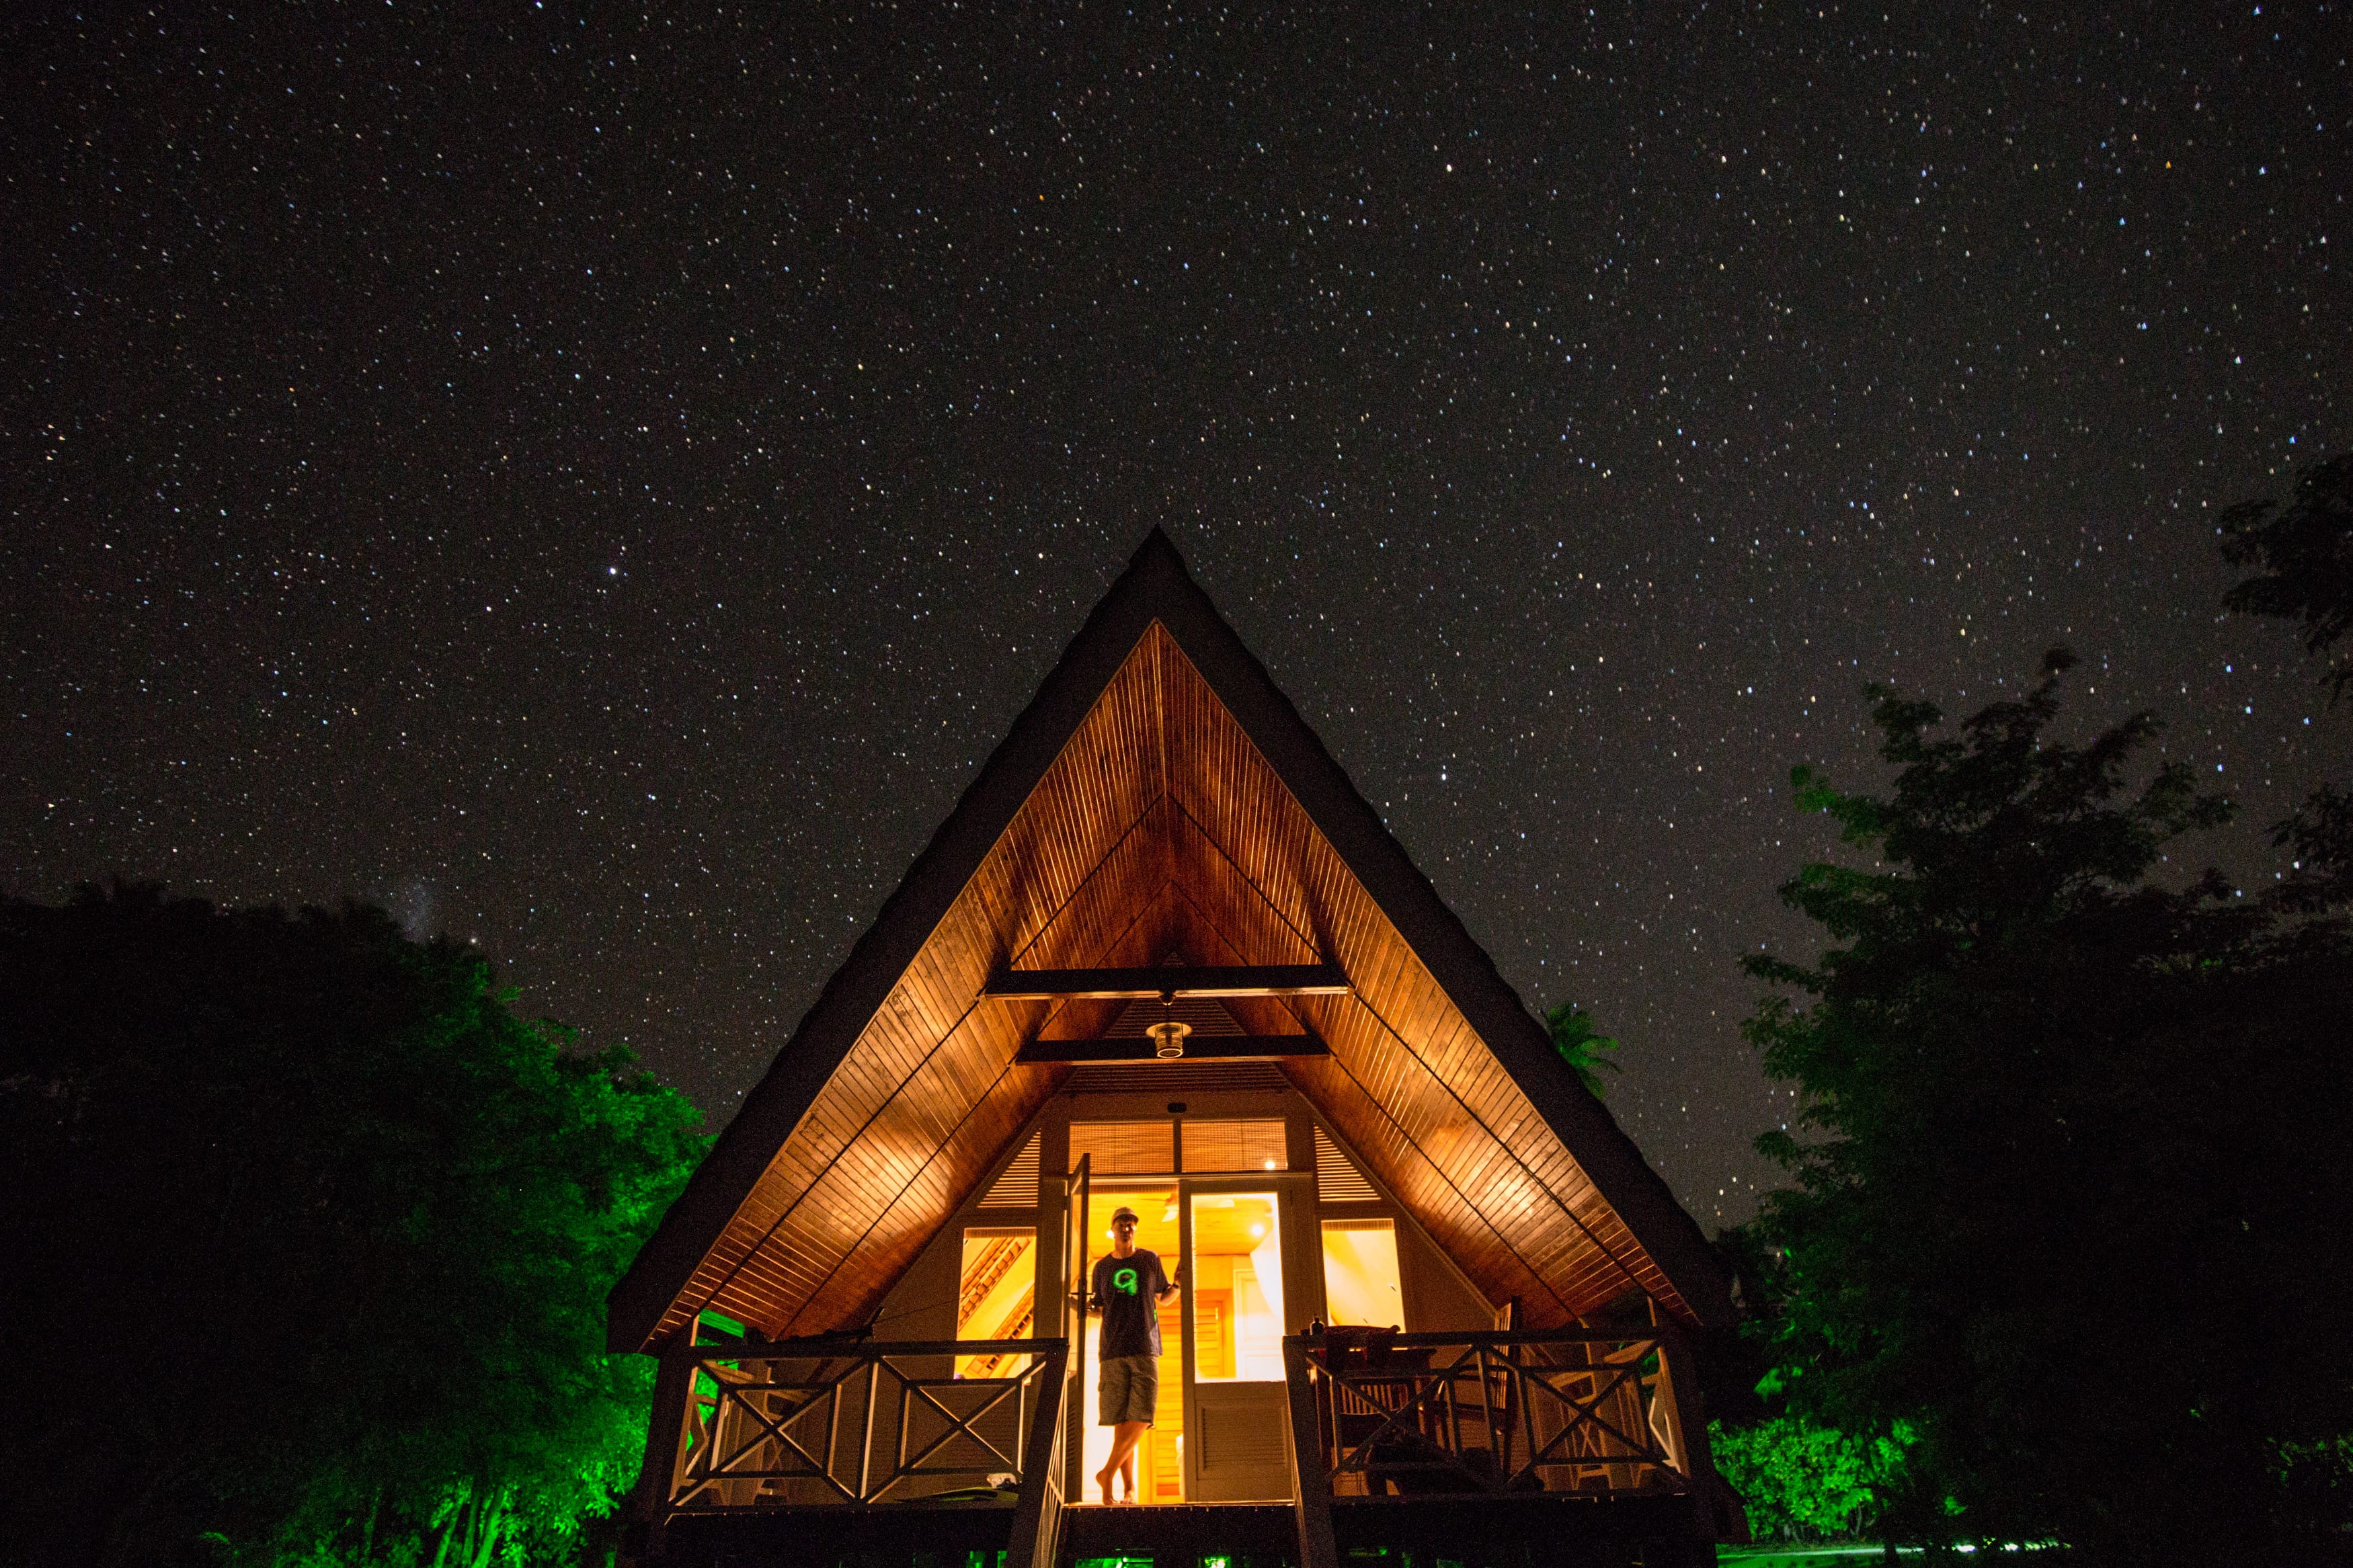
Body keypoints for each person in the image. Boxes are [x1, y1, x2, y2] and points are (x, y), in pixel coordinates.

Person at [1088, 1204, 1179, 1504]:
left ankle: (1107, 1473)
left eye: (1131, 1224)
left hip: (1144, 1346)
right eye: (1121, 1223)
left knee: (1141, 1415)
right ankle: (1126, 1489)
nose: (1126, 1228)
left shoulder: (1149, 1260)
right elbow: (1098, 1309)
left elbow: (1164, 1299)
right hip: (1111, 1350)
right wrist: (1081, 1308)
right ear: (1112, 1229)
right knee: (1122, 1421)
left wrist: (1178, 1285)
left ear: (1135, 1229)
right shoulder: (1101, 1268)